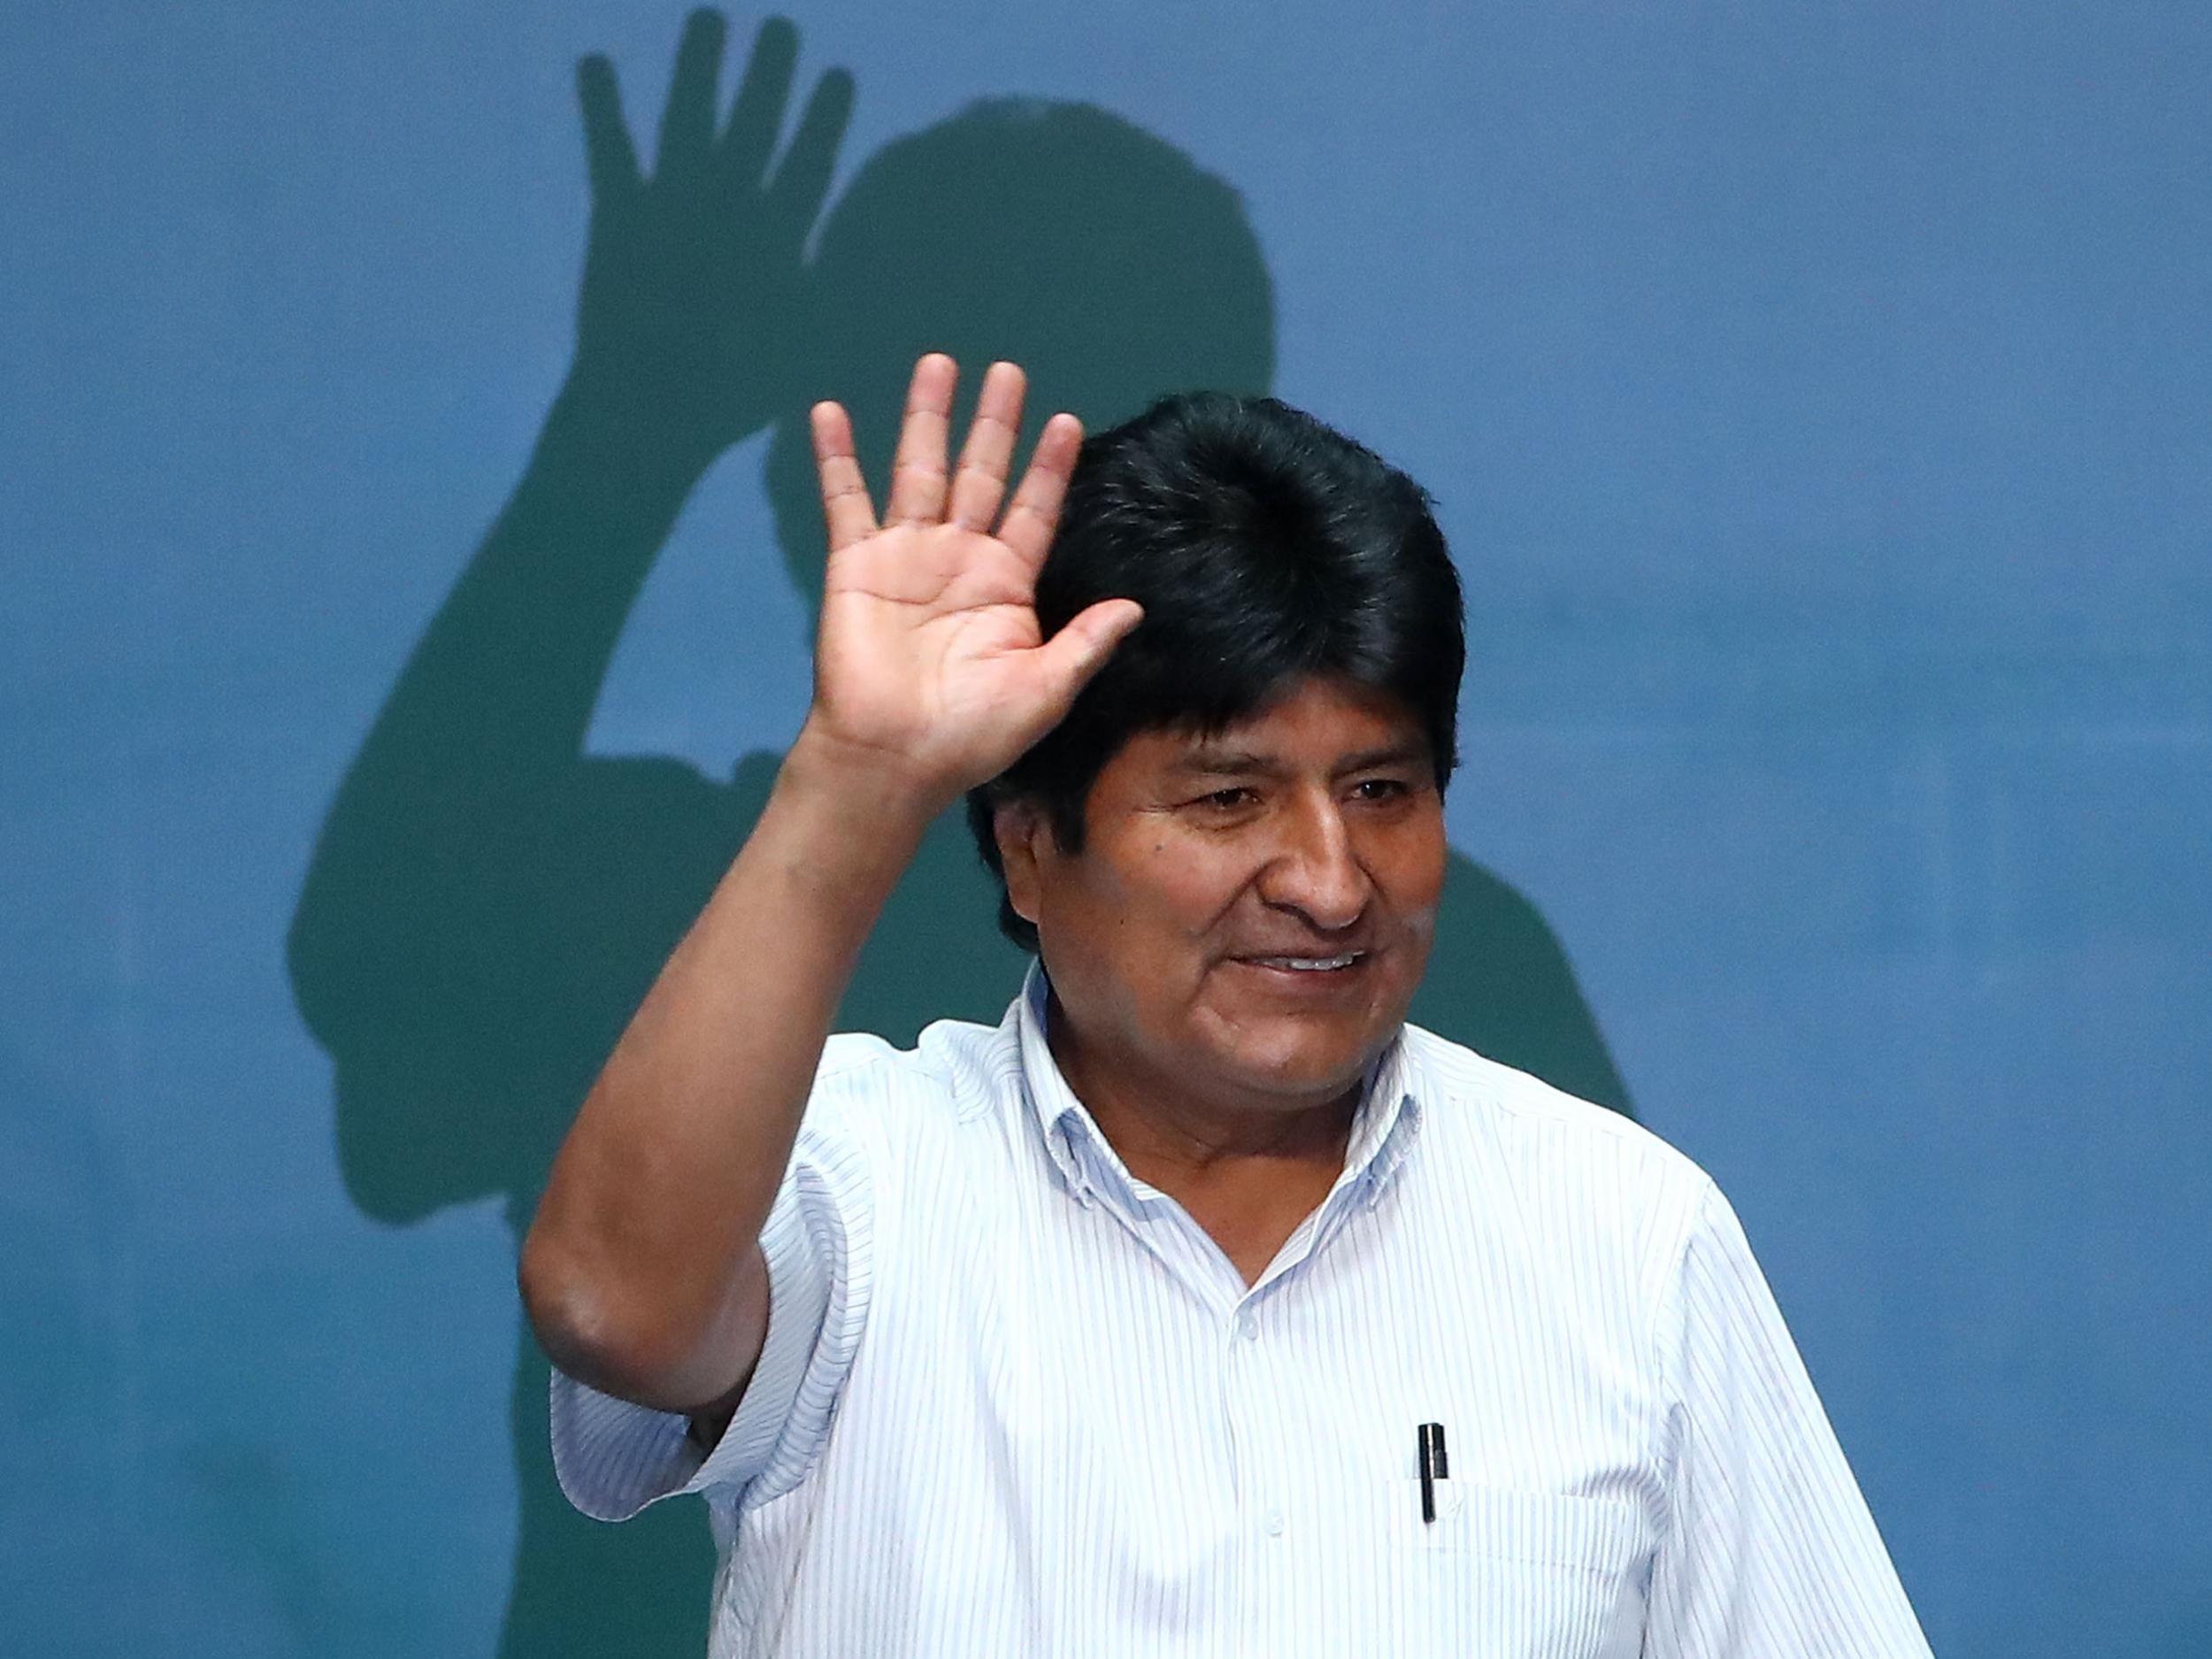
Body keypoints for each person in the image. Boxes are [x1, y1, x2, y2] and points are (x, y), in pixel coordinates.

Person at [519, 356, 1931, 1656]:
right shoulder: (858, 1178)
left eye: (1382, 791)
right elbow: (611, 1305)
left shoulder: (1623, 1237)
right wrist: (857, 775)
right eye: (1227, 799)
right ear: (1029, 842)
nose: (1328, 883)